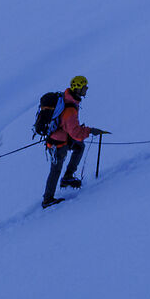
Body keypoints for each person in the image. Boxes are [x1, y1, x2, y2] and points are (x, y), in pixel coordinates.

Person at [43, 74, 109, 206]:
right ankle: (47, 199)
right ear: (77, 89)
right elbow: (76, 134)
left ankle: (68, 177)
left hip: (60, 138)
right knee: (55, 170)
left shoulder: (67, 99)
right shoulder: (70, 110)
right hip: (58, 143)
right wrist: (91, 131)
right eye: (84, 88)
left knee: (79, 146)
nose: (86, 90)